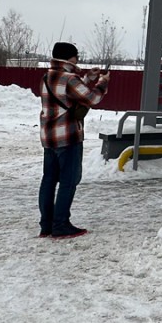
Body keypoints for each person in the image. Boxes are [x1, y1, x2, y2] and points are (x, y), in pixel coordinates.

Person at [38, 41, 109, 238]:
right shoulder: (69, 79)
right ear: (70, 57)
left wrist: (89, 77)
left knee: (49, 181)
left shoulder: (46, 77)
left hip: (49, 138)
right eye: (76, 56)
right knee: (69, 181)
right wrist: (102, 82)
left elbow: (70, 93)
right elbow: (92, 98)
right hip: (68, 138)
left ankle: (46, 225)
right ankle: (60, 224)